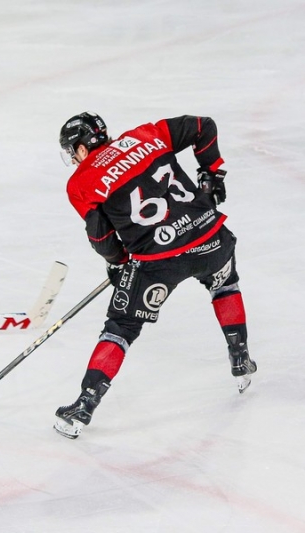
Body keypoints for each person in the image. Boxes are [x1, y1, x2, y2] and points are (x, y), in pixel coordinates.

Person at [53, 112, 256, 439]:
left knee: (121, 327)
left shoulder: (81, 182)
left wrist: (119, 262)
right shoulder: (147, 134)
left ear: (79, 148)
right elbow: (204, 126)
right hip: (210, 236)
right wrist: (211, 173)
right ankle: (241, 359)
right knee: (225, 285)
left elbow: (101, 237)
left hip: (159, 262)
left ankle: (84, 405)